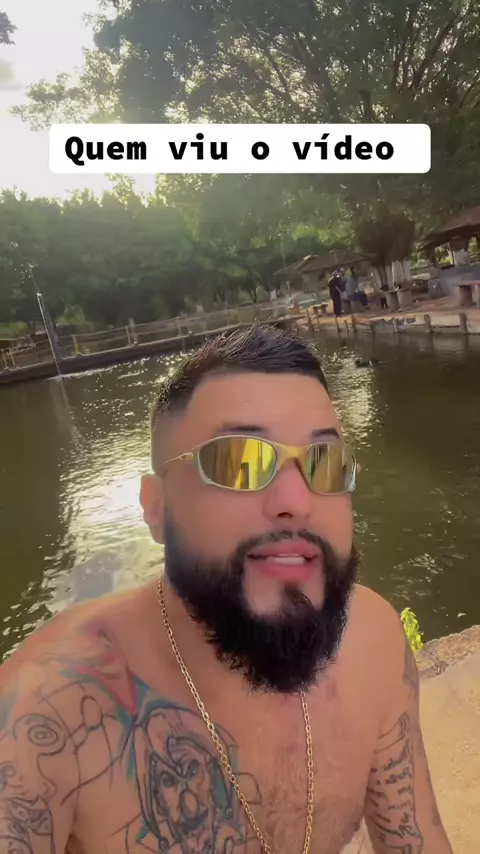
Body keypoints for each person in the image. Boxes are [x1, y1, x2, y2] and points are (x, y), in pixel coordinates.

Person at [0, 326, 453, 854]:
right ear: (156, 508)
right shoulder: (44, 716)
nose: (296, 502)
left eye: (324, 462)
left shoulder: (373, 641)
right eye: (239, 462)